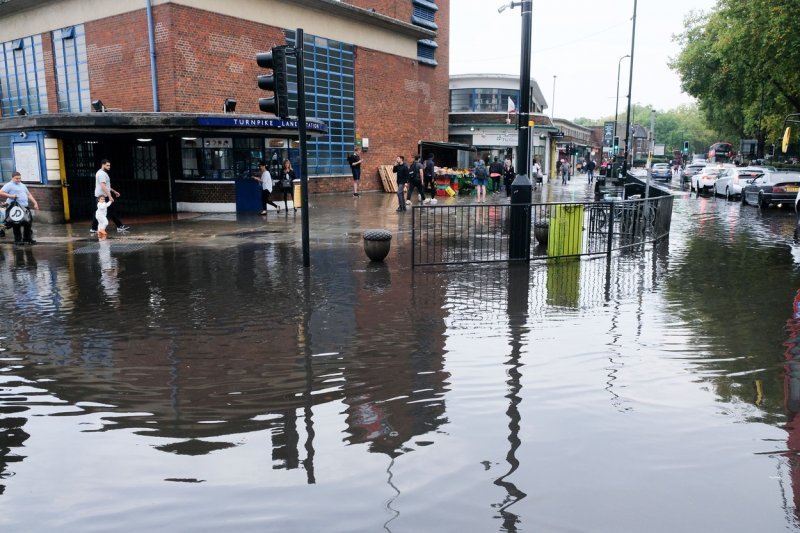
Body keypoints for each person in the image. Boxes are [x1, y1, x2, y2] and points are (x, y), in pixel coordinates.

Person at [0, 171, 40, 245]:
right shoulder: (9, 185)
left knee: (28, 222)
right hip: (15, 207)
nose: (18, 180)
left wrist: (35, 203)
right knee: (16, 224)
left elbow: (28, 194)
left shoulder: (22, 185)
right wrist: (11, 196)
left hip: (25, 207)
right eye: (16, 178)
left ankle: (27, 239)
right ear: (12, 178)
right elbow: (1, 192)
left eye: (19, 178)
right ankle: (18, 240)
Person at [92, 159, 129, 233]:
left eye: (109, 165)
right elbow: (103, 186)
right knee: (110, 211)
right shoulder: (102, 174)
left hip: (102, 195)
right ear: (103, 165)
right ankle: (119, 226)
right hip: (102, 197)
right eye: (107, 165)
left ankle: (94, 228)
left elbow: (107, 186)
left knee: (100, 212)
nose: (109, 167)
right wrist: (109, 196)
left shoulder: (102, 173)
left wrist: (114, 191)